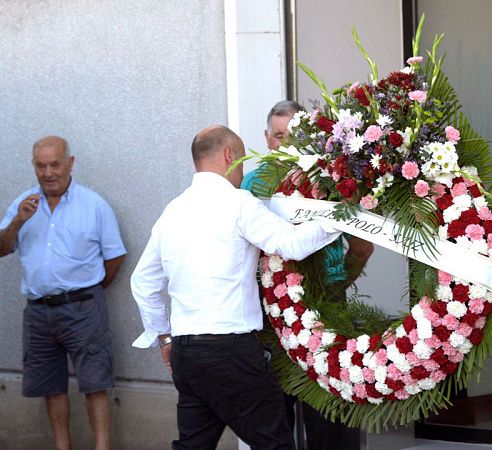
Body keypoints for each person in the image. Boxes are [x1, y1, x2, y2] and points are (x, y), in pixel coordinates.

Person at [130, 125, 342, 450]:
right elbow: (291, 244)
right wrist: (339, 218)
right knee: (275, 445)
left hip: (186, 352)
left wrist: (163, 337)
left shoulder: (172, 210)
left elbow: (143, 282)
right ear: (229, 155)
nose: (242, 171)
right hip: (230, 351)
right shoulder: (238, 202)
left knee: (192, 446)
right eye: (242, 160)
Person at [244, 102, 373, 449]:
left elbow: (362, 248)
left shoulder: (333, 182)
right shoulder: (251, 184)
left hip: (326, 307)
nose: (286, 145)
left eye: (295, 137)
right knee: (275, 420)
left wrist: (334, 285)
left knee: (329, 415)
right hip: (270, 313)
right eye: (279, 136)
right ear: (266, 138)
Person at [0, 136, 127, 450]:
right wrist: (17, 223)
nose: (48, 173)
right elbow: (2, 248)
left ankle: (102, 447)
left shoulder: (93, 205)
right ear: (34, 166)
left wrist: (90, 289)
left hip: (84, 308)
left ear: (70, 163)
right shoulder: (22, 204)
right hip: (38, 312)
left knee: (95, 383)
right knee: (51, 386)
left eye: (55, 165)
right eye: (41, 166)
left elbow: (115, 256)